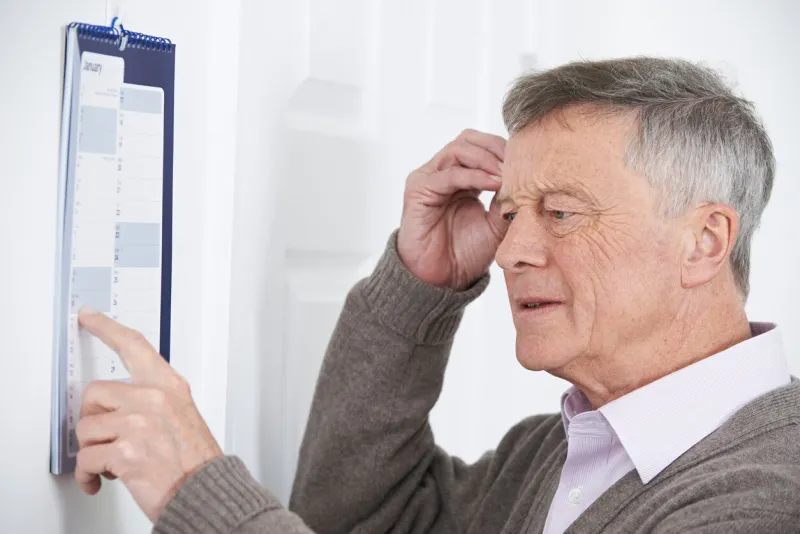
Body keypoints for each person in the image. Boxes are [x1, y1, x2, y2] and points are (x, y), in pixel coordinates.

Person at [73, 57, 800, 534]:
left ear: (704, 241)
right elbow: (358, 520)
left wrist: (201, 494)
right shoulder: (553, 453)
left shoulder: (769, 497)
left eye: (562, 212)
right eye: (511, 211)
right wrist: (420, 291)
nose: (512, 249)